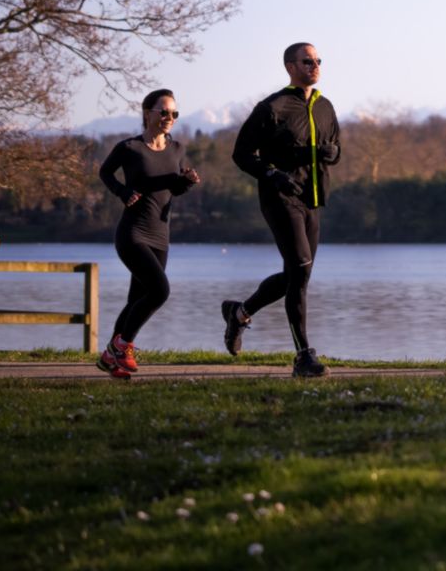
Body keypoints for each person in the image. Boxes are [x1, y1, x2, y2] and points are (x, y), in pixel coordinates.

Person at [222, 41, 341, 377]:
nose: (315, 66)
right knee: (299, 270)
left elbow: (336, 149)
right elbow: (242, 154)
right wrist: (273, 174)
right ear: (290, 67)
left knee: (297, 276)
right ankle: (304, 356)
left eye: (318, 60)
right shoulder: (272, 107)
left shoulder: (326, 106)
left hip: (313, 199)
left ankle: (239, 313)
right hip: (280, 198)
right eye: (307, 61)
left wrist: (331, 154)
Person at [94, 88, 201, 379]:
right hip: (133, 233)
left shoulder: (177, 149)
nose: (169, 117)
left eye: (174, 113)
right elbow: (105, 173)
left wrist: (187, 181)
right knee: (160, 290)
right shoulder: (130, 148)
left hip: (160, 235)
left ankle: (111, 359)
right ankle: (121, 346)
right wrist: (122, 192)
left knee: (136, 300)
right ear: (147, 113)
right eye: (163, 112)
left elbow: (173, 189)